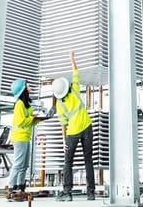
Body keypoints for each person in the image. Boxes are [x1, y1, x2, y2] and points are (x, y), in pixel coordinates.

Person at [53, 51, 95, 202]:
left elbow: (63, 124)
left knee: (68, 162)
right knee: (88, 160)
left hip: (72, 133)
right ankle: (91, 193)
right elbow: (75, 72)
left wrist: (64, 140)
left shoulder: (60, 104)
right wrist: (72, 59)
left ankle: (67, 192)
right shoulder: (75, 90)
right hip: (87, 128)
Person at [8, 78, 39, 201]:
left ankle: (20, 189)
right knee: (18, 163)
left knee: (24, 165)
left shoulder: (26, 104)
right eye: (27, 85)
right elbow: (21, 121)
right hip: (19, 137)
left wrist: (38, 119)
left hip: (25, 136)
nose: (29, 86)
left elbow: (29, 121)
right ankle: (11, 188)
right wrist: (32, 117)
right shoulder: (19, 104)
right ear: (23, 89)